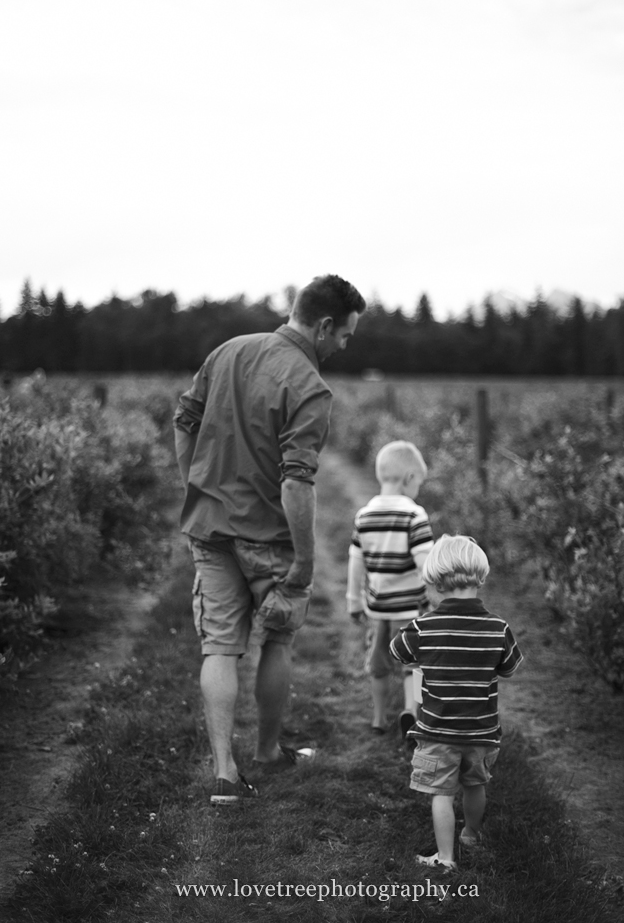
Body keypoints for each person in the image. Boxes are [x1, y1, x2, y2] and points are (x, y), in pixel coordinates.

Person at [173, 275, 366, 805]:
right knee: (276, 641)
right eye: (345, 335)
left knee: (219, 645)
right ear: (324, 325)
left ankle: (223, 773)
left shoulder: (228, 351)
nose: (343, 346)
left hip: (210, 527)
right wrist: (304, 559)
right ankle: (266, 750)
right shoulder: (310, 386)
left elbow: (184, 419)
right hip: (269, 538)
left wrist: (195, 484)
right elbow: (297, 481)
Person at [389, 535, 523, 871]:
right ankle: (471, 836)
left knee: (442, 794)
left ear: (434, 580)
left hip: (438, 731)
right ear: (480, 576)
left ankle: (446, 858)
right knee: (476, 785)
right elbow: (508, 669)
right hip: (481, 730)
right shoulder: (498, 628)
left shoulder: (422, 628)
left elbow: (397, 652)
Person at [346, 440, 433, 738]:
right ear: (409, 478)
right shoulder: (414, 516)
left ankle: (379, 719)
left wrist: (354, 599)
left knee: (379, 663)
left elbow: (356, 562)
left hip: (378, 608)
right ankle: (411, 710)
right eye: (418, 483)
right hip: (411, 608)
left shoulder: (365, 516)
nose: (418, 490)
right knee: (414, 664)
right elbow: (426, 565)